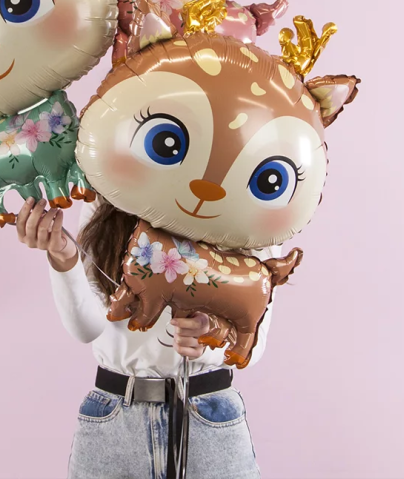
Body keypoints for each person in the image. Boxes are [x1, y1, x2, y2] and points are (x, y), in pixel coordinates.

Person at [16, 196, 282, 479]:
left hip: (209, 419)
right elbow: (87, 328)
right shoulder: (110, 192)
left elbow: (253, 340)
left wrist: (211, 337)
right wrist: (64, 258)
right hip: (113, 423)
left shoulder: (250, 196)